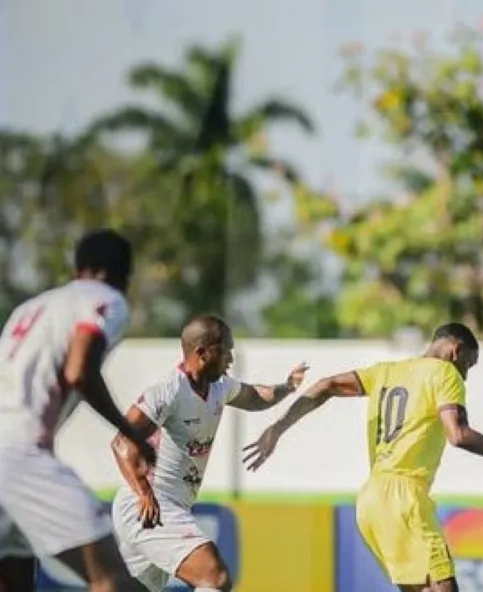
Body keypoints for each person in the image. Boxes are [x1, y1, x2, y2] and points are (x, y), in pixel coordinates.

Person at [242, 322, 483, 592]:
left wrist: (278, 427)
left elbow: (326, 385)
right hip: (406, 497)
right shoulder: (445, 374)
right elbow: (458, 434)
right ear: (455, 350)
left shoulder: (387, 371)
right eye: (468, 366)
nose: (466, 376)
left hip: (370, 501)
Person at [0, 228, 156, 592]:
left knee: (15, 577)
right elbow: (79, 371)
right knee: (112, 580)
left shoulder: (32, 306)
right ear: (123, 275)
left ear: (78, 267)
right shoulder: (106, 299)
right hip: (20, 455)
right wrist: (135, 437)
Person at [110, 314, 309, 592]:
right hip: (150, 506)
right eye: (226, 350)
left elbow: (256, 397)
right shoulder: (168, 392)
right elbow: (121, 443)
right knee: (214, 577)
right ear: (202, 352)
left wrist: (287, 387)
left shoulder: (219, 387)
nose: (231, 358)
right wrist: (145, 493)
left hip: (168, 508)